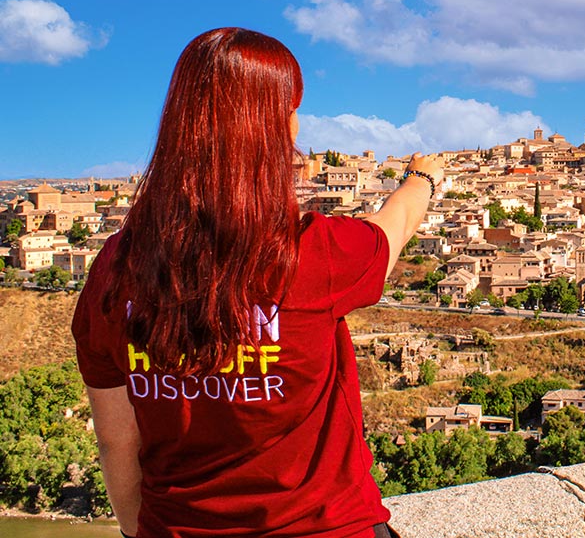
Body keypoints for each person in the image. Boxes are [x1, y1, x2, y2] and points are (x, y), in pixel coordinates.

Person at [72, 28, 444, 538]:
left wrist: (140, 533)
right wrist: (422, 177)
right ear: (274, 127)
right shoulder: (316, 253)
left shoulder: (115, 267)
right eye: (293, 109)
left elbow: (117, 440)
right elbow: (395, 227)